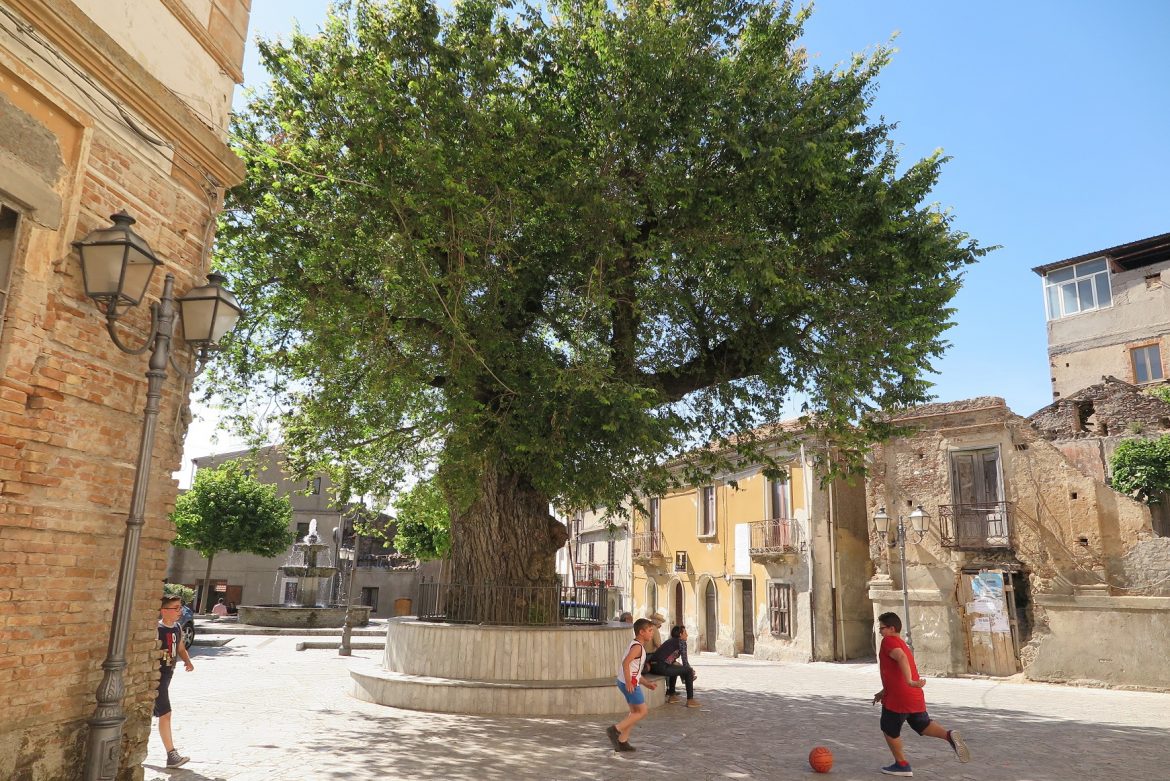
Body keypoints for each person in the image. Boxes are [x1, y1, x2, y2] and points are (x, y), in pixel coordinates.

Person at [872, 612, 970, 777]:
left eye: (882, 628)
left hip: (899, 698)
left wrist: (909, 681)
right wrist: (883, 692)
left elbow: (901, 658)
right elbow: (896, 671)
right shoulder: (902, 644)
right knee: (922, 725)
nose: (880, 632)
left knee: (889, 729)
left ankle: (902, 765)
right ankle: (948, 735)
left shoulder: (889, 641)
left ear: (892, 628)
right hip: (914, 695)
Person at [605, 618, 658, 753]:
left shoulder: (636, 645)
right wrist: (629, 682)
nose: (652, 633)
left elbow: (636, 671)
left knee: (634, 713)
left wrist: (647, 684)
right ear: (641, 632)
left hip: (625, 682)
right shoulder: (637, 647)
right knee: (642, 711)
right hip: (629, 684)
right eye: (650, 630)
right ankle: (615, 730)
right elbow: (626, 663)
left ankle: (622, 741)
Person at [156, 595, 195, 768]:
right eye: (176, 608)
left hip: (167, 675)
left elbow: (180, 647)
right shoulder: (157, 629)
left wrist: (187, 661)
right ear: (164, 611)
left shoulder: (177, 627)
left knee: (157, 713)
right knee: (165, 714)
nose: (180, 611)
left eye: (180, 607)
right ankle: (171, 755)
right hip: (156, 677)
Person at [648, 625, 699, 707]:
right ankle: (690, 700)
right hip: (661, 667)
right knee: (688, 670)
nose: (687, 635)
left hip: (653, 667)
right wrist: (690, 672)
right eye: (685, 633)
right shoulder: (681, 642)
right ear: (680, 635)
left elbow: (669, 659)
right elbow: (685, 661)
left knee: (675, 668)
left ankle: (672, 696)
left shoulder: (670, 641)